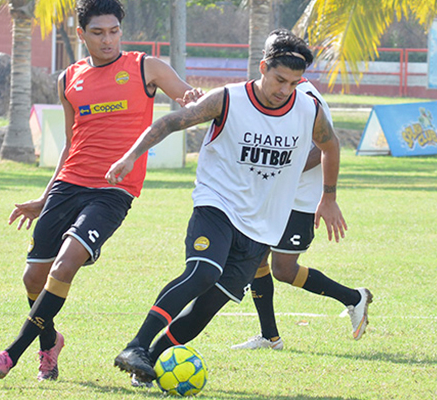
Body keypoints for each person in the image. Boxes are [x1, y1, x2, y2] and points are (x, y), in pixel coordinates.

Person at [106, 29, 346, 385]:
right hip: (216, 205)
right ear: (263, 67)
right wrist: (131, 156)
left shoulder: (307, 110)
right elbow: (171, 122)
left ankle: (147, 364)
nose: (284, 90)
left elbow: (331, 146)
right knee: (203, 272)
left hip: (263, 225)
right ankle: (136, 345)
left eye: (294, 83)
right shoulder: (228, 99)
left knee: (208, 307)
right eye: (279, 79)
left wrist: (328, 196)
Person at [0, 0, 202, 381]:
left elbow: (187, 98)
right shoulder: (69, 78)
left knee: (66, 265)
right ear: (81, 34)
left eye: (114, 31)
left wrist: (195, 99)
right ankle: (50, 342)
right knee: (33, 278)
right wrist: (45, 196)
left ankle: (12, 353)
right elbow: (69, 144)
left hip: (113, 191)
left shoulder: (145, 67)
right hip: (68, 185)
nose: (108, 40)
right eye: (98, 33)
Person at [231, 78, 371, 352]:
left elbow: (323, 147)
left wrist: (322, 194)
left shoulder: (308, 98)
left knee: (284, 269)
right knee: (256, 259)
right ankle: (270, 337)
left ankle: (354, 298)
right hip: (276, 196)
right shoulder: (277, 96)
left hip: (299, 200)